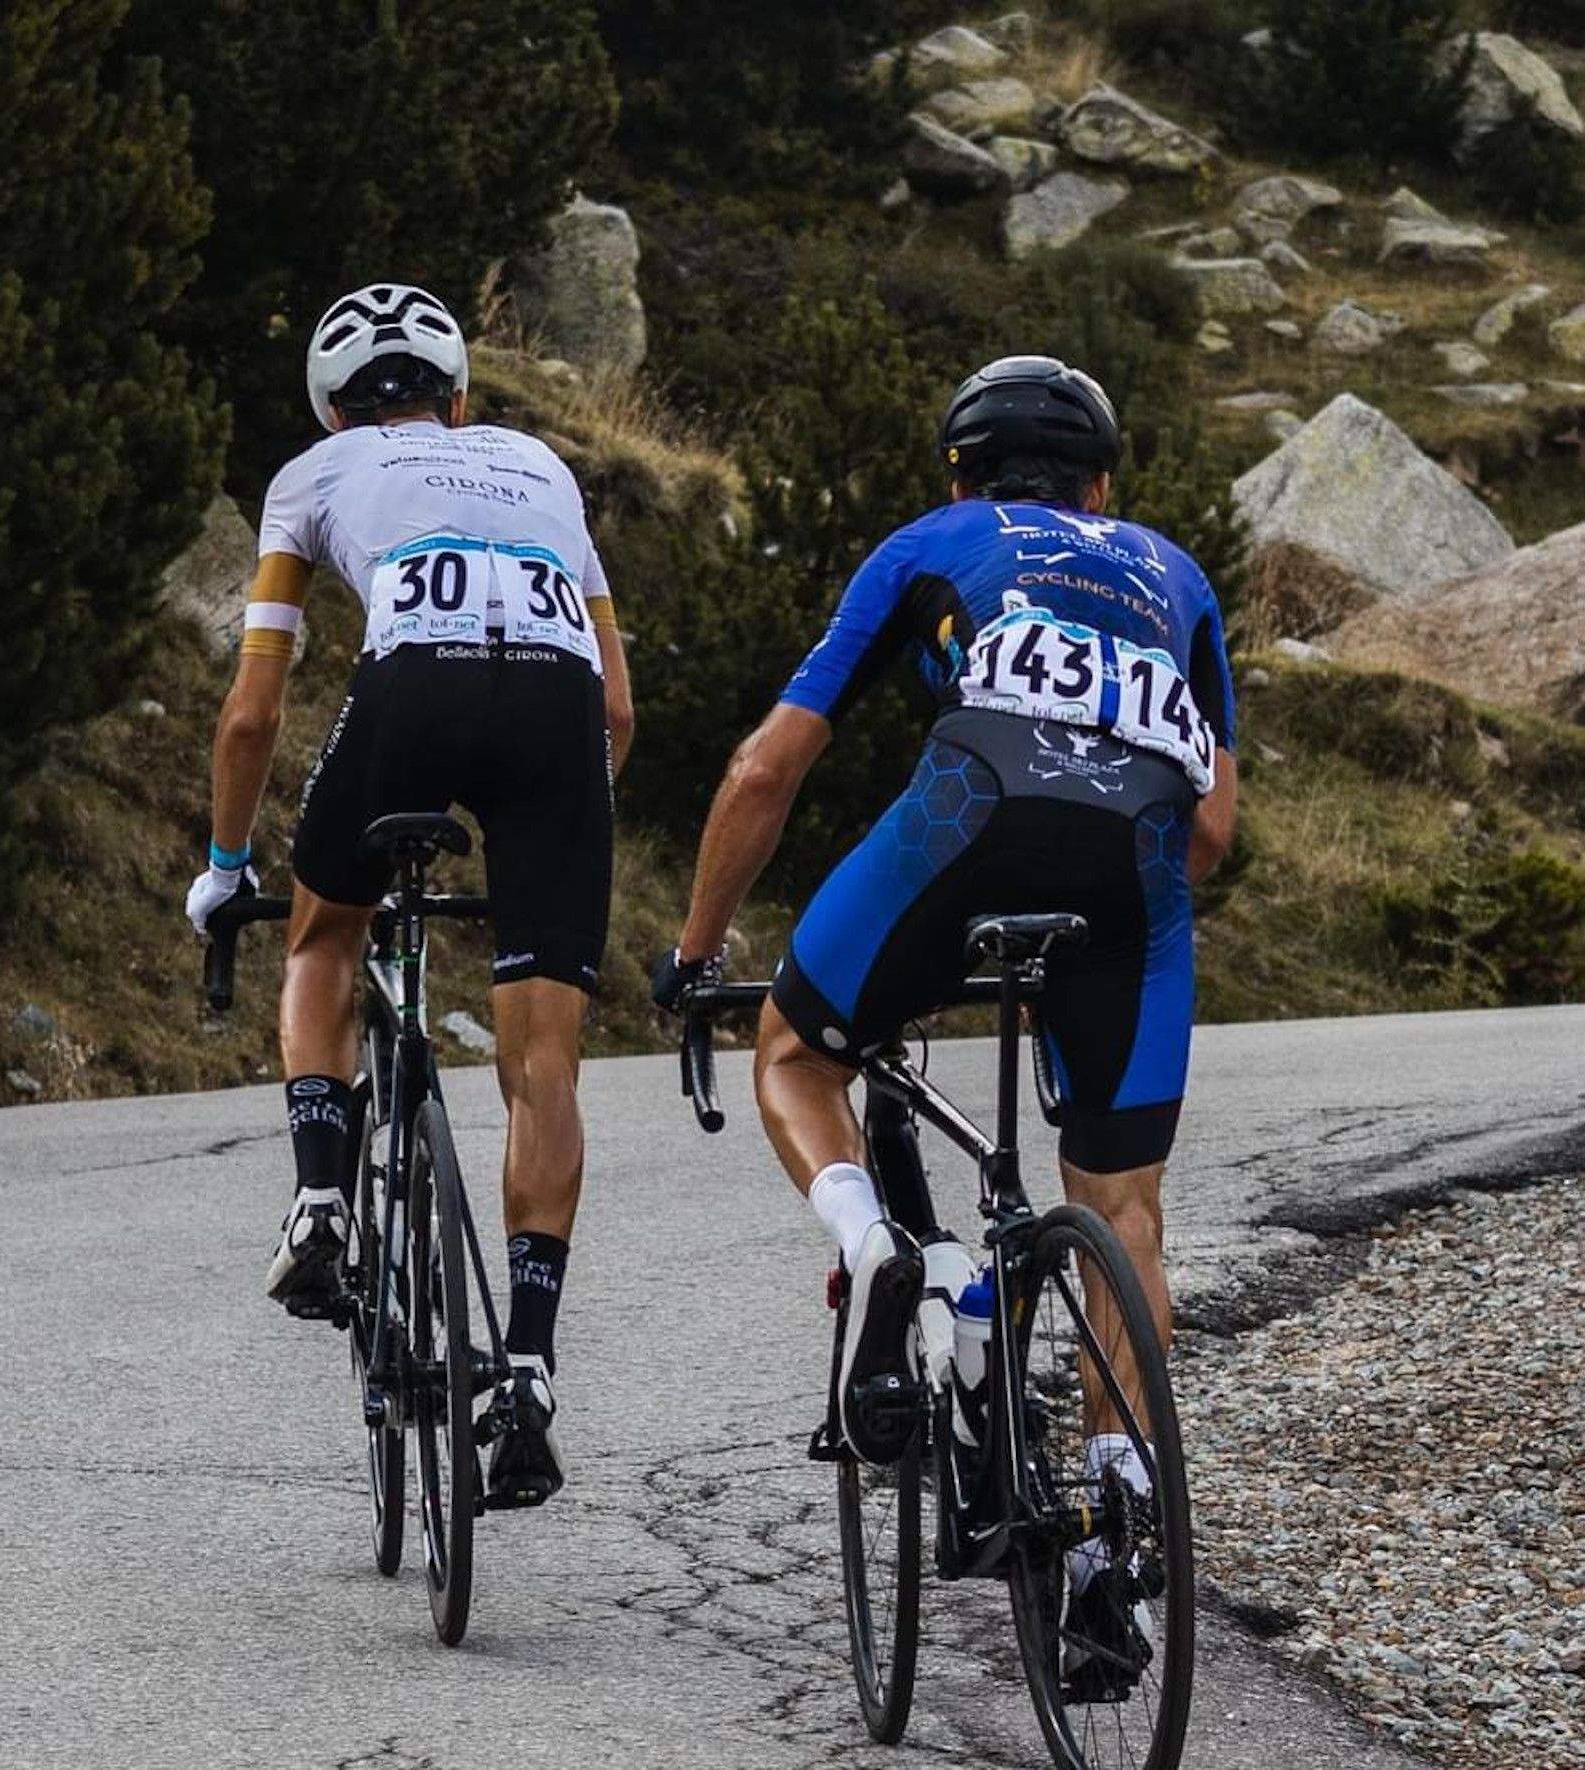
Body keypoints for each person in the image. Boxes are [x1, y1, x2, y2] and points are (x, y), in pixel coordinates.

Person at [652, 355, 1236, 1687]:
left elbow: (765, 764)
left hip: (964, 820)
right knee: (1125, 1207)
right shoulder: (1177, 574)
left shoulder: (933, 542)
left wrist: (693, 953)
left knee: (799, 1049)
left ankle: (878, 1253)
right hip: (1134, 878)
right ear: (1104, 485)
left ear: (960, 475)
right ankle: (1110, 1525)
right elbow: (1212, 825)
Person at [186, 283, 633, 1506]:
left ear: (336, 413)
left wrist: (226, 873)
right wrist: (560, 835)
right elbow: (618, 712)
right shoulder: (541, 463)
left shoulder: (312, 477)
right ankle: (529, 1367)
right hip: (554, 716)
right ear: (461, 399)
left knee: (323, 940)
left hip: (413, 690)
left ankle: (324, 1195)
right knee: (545, 1062)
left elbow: (253, 710)